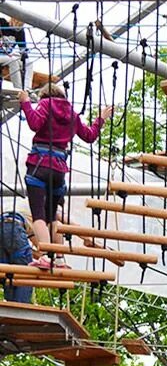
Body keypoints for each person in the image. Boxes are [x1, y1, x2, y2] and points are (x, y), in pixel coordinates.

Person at [18, 82, 110, 267]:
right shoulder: (72, 114)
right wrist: (100, 119)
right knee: (52, 215)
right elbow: (90, 136)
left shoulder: (45, 103)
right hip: (59, 170)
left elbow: (35, 124)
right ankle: (59, 258)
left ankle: (45, 255)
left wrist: (25, 102)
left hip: (40, 165)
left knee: (39, 215)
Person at [0, 212, 34, 304]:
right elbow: (40, 248)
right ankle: (19, 309)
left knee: (7, 274)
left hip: (3, 224)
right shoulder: (44, 212)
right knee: (27, 273)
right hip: (14, 226)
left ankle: (11, 306)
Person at [0, 18, 23, 90]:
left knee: (29, 62)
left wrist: (22, 54)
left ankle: (26, 89)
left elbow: (23, 48)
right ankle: (18, 89)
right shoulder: (2, 23)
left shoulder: (20, 31)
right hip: (3, 56)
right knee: (13, 60)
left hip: (7, 56)